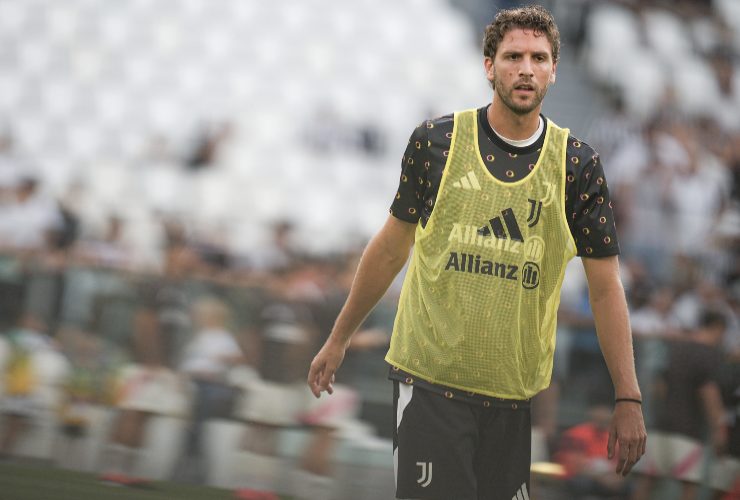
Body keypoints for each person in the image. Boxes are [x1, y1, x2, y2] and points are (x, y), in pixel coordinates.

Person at [308, 5, 647, 499]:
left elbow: (605, 289)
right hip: (429, 387)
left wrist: (629, 395)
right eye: (513, 56)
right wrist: (338, 339)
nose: (525, 69)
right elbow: (388, 251)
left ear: (555, 69)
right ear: (489, 66)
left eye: (538, 57)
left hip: (512, 400)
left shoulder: (578, 166)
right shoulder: (436, 144)